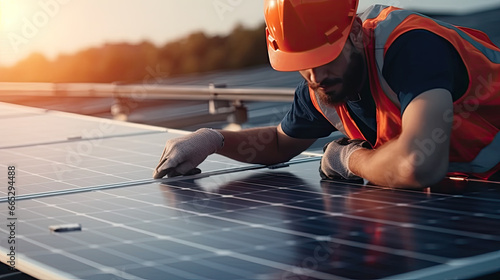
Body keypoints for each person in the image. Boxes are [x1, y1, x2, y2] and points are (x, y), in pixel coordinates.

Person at [154, 0, 500, 188]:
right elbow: (278, 143)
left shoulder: (411, 48)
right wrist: (214, 140)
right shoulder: (322, 84)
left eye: (323, 58)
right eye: (302, 64)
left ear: (353, 35)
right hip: (479, 188)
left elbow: (418, 165)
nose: (315, 76)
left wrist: (350, 160)